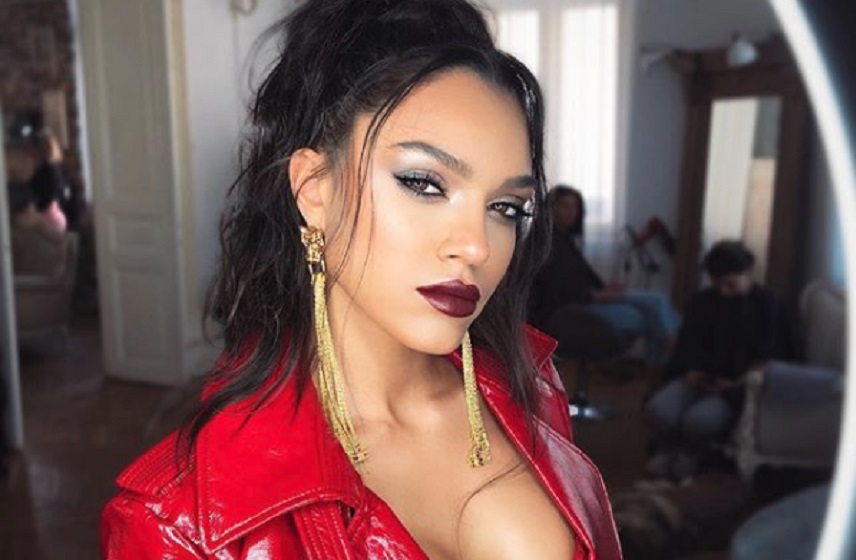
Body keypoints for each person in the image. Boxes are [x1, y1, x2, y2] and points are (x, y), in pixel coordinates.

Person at [100, 1, 621, 559]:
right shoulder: (178, 524)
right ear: (314, 190)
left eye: (505, 207)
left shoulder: (526, 385)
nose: (476, 246)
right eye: (423, 183)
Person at [644, 240, 800, 480]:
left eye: (731, 285)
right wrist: (691, 371)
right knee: (659, 410)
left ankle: (691, 452)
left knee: (699, 421)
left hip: (736, 387)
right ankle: (667, 449)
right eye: (718, 285)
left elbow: (775, 357)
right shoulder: (702, 301)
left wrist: (740, 381)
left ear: (747, 272)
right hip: (700, 378)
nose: (724, 292)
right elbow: (687, 345)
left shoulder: (769, 305)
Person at [532, 185, 679, 366]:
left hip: (593, 298)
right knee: (652, 315)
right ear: (550, 208)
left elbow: (586, 274)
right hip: (574, 310)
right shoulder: (544, 243)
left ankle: (665, 366)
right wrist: (596, 296)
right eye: (564, 206)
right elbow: (555, 290)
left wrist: (605, 289)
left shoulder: (565, 239)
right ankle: (670, 364)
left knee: (659, 303)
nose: (571, 212)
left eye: (575, 207)